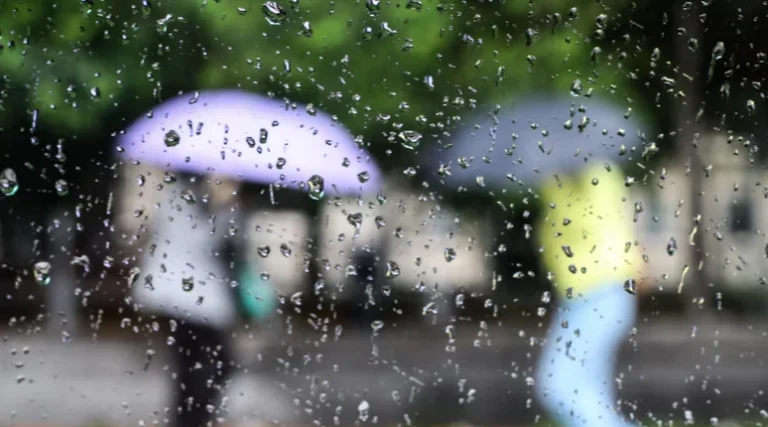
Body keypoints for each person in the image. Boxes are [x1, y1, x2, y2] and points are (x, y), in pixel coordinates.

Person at [115, 163, 271, 427]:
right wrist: (231, 214)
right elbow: (213, 246)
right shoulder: (198, 202)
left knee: (191, 364)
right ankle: (192, 418)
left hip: (173, 294)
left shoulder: (178, 196)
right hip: (196, 301)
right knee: (213, 363)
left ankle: (188, 418)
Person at [533, 162, 645, 427]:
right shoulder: (566, 175)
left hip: (600, 293)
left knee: (557, 386)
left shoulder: (589, 172)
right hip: (585, 297)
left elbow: (588, 221)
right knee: (591, 393)